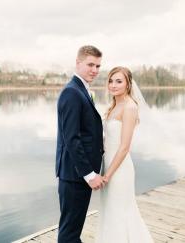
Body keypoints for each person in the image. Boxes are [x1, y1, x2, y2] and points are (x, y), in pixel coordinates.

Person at [96, 66, 153, 242]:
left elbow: (124, 147)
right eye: (111, 81)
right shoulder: (114, 105)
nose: (113, 85)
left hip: (119, 170)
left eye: (119, 81)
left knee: (120, 211)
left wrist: (108, 175)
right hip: (108, 165)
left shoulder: (129, 107)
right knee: (110, 210)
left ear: (128, 84)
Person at [56, 45, 105, 243]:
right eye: (90, 64)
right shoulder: (72, 93)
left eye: (98, 66)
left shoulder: (81, 90)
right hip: (76, 175)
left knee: (72, 230)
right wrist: (89, 174)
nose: (94, 70)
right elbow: (71, 139)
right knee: (69, 234)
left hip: (77, 175)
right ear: (78, 63)